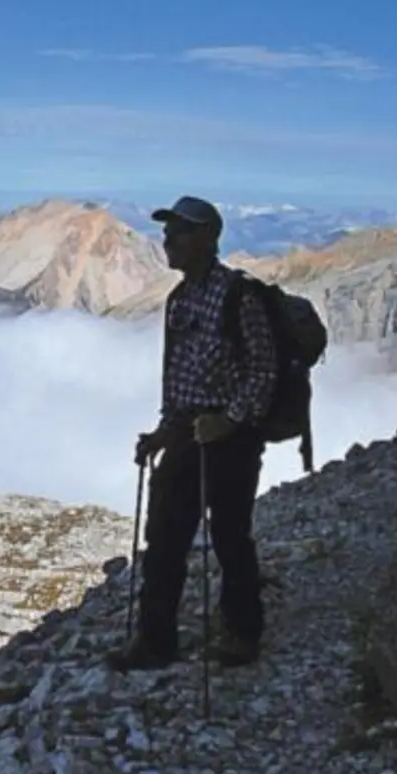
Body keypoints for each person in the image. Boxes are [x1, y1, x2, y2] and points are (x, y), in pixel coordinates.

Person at [107, 195, 276, 672]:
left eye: (178, 232)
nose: (167, 241)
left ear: (207, 238)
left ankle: (242, 633)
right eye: (168, 231)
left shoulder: (240, 296)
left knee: (230, 537)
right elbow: (176, 373)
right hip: (188, 434)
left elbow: (263, 372)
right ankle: (155, 641)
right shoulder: (180, 299)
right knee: (164, 541)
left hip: (231, 440)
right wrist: (165, 430)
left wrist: (229, 420)